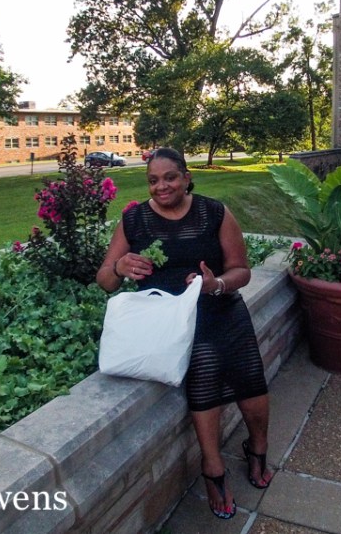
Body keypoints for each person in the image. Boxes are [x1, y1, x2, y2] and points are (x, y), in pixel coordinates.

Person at [96, 147, 274, 520]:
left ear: (187, 176)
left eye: (170, 177)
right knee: (203, 361)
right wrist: (120, 265)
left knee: (251, 378)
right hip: (168, 319)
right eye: (153, 180)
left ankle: (257, 445)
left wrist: (216, 285)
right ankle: (213, 467)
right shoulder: (134, 220)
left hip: (219, 305)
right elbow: (105, 282)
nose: (162, 186)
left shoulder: (215, 213)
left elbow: (241, 270)